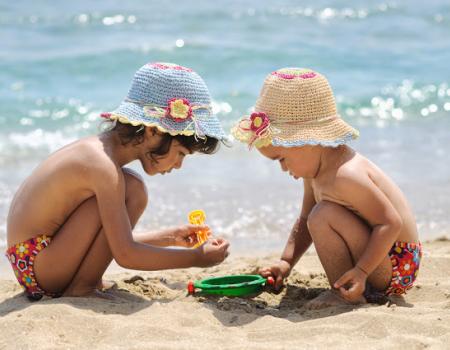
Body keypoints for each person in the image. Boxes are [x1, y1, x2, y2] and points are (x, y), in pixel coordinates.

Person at [6, 62, 230, 300]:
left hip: (33, 262)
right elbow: (125, 254)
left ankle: (84, 282)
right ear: (153, 131)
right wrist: (196, 258)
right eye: (181, 154)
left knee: (130, 185)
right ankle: (82, 287)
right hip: (41, 266)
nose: (178, 165)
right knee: (133, 190)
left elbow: (109, 239)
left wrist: (170, 238)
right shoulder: (103, 167)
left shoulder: (99, 152)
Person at [231, 67, 421, 307]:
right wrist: (286, 262)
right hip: (381, 256)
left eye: (281, 158)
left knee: (323, 215)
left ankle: (343, 293)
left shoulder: (347, 175)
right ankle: (350, 285)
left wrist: (362, 271)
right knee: (316, 215)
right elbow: (304, 219)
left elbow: (390, 223)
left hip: (397, 263)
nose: (282, 169)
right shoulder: (316, 171)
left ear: (307, 140)